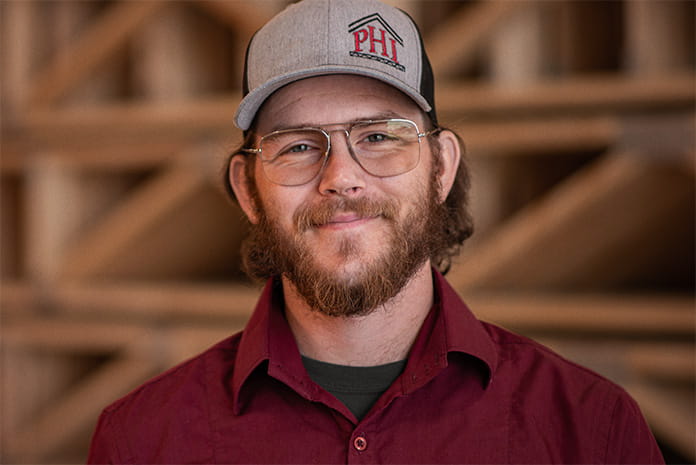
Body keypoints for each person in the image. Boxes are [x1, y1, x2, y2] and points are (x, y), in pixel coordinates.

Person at [87, 0, 664, 463]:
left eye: (381, 136)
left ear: (442, 167)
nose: (340, 178)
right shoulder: (142, 441)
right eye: (299, 146)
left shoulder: (592, 432)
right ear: (247, 189)